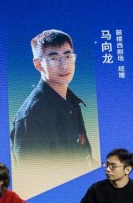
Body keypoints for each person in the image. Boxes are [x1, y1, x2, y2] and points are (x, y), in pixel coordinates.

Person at [10, 29, 94, 169]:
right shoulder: (32, 116)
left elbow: (85, 160)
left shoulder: (72, 103)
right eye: (54, 58)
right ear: (38, 65)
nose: (64, 65)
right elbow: (33, 176)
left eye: (68, 56)